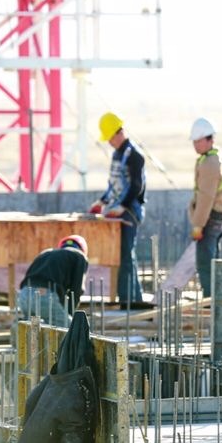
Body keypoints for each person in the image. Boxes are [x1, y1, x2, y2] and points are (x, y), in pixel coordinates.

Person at [89, 112, 146, 304]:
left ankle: (132, 301)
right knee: (121, 256)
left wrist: (123, 206)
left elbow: (137, 187)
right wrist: (102, 202)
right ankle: (127, 299)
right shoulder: (117, 154)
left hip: (129, 213)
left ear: (117, 134)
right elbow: (114, 185)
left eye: (109, 138)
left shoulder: (134, 156)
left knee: (126, 257)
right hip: (117, 211)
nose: (109, 143)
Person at [187, 117, 222, 297]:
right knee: (213, 263)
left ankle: (211, 300)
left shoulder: (210, 163)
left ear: (210, 139)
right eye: (194, 142)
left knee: (205, 263)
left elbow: (206, 197)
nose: (195, 145)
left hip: (209, 218)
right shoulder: (214, 159)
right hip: (215, 218)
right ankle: (215, 299)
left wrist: (198, 224)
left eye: (199, 141)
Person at [17, 235, 89, 327]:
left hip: (23, 295)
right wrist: (69, 314)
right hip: (44, 296)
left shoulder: (45, 253)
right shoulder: (79, 255)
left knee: (33, 330)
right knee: (69, 330)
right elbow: (76, 290)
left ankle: (27, 340)